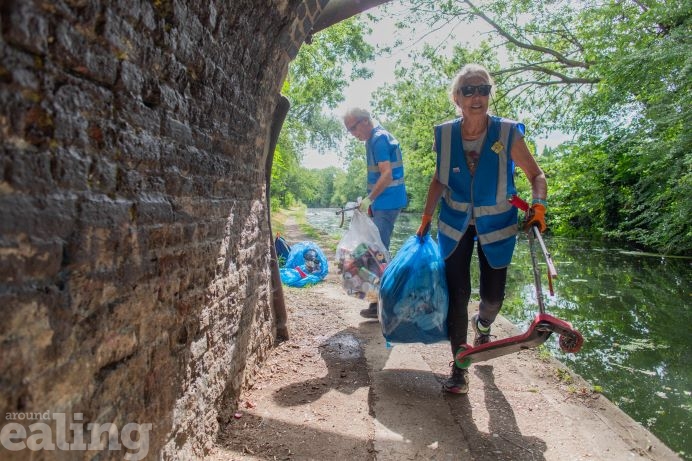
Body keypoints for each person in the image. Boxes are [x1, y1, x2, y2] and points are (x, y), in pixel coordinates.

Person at [416, 64, 547, 394]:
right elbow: (439, 179)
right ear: (457, 97)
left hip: (498, 224)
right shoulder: (445, 135)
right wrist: (426, 218)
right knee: (457, 296)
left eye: (483, 90)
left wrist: (539, 204)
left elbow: (536, 176)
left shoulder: (506, 133)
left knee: (492, 296)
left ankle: (484, 323)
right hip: (454, 223)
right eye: (469, 91)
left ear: (490, 95)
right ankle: (459, 367)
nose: (477, 97)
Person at [343, 107, 408, 319]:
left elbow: (387, 175)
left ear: (365, 121)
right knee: (376, 250)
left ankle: (384, 305)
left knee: (377, 251)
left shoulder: (378, 139)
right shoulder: (373, 139)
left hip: (388, 202)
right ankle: (379, 302)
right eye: (349, 130)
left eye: (353, 128)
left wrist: (370, 199)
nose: (353, 134)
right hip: (383, 202)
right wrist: (370, 201)